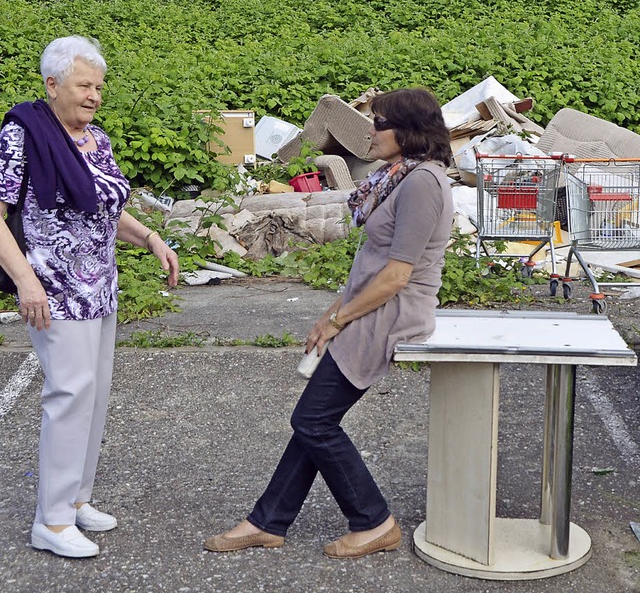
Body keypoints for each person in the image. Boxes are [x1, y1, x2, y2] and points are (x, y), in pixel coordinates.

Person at [204, 87, 454, 559]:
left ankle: (374, 521)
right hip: (368, 307)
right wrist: (332, 312)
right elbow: (374, 259)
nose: (370, 131)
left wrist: (340, 319)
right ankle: (267, 521)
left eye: (379, 123)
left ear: (409, 132)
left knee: (313, 421)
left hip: (390, 314)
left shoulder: (422, 183)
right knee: (315, 420)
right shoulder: (398, 176)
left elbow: (398, 274)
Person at [0, 35, 179, 559]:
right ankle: (51, 522)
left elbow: (105, 207)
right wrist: (26, 280)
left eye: (99, 86)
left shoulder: (94, 139)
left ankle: (76, 502)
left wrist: (148, 236)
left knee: (93, 396)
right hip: (54, 289)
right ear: (53, 84)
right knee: (69, 395)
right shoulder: (21, 134)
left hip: (100, 287)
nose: (94, 95)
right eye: (84, 85)